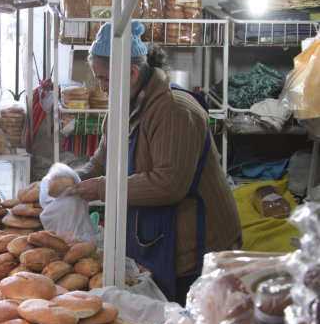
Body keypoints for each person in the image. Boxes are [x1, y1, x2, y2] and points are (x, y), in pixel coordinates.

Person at [65, 21, 242, 305]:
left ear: (132, 73)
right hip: (153, 240)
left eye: (106, 79)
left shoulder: (173, 110)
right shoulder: (122, 108)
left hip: (195, 250)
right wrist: (67, 181)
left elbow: (168, 183)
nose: (103, 88)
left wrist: (100, 188)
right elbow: (101, 165)